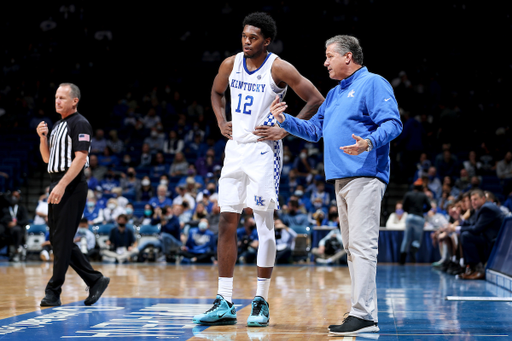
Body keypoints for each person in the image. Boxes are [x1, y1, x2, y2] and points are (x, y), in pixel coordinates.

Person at [193, 12, 324, 328]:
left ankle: (260, 300)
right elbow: (216, 92)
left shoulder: (279, 67)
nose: (246, 42)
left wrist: (286, 128)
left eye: (253, 37)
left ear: (267, 40)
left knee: (263, 221)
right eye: (243, 36)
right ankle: (224, 300)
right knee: (226, 219)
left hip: (264, 152)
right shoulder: (230, 64)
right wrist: (220, 119)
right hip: (235, 150)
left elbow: (316, 98)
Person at [270, 35, 402, 335]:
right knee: (352, 248)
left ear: (348, 57)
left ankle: (365, 316)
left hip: (366, 175)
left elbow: (393, 123)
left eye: (329, 56)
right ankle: (364, 313)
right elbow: (315, 130)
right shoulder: (333, 95)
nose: (325, 62)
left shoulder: (373, 83)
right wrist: (285, 120)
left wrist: (369, 141)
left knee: (362, 246)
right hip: (341, 178)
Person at [36, 82, 109, 307]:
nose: (57, 101)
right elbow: (47, 159)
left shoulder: (81, 123)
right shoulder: (58, 125)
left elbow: (80, 158)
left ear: (74, 101)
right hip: (56, 182)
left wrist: (62, 185)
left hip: (71, 184)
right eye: (56, 97)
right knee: (59, 239)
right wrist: (42, 138)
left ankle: (53, 290)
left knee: (61, 239)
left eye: (62, 98)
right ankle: (94, 279)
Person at [444, 189, 505, 280]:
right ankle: (472, 268)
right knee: (465, 235)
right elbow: (473, 225)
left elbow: (476, 229)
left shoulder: (487, 208)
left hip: (494, 241)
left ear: (483, 198)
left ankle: (479, 269)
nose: (473, 202)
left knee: (466, 236)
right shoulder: (481, 208)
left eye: (475, 199)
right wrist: (459, 221)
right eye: (472, 200)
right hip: (488, 238)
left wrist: (456, 228)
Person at [399, 178, 432, 264]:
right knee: (417, 240)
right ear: (421, 187)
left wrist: (409, 212)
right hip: (419, 218)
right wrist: (422, 211)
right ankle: (412, 252)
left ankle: (402, 261)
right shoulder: (423, 195)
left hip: (409, 217)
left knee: (406, 239)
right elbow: (429, 207)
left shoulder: (408, 194)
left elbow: (403, 207)